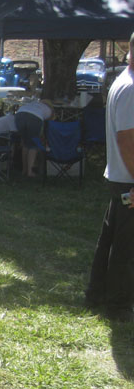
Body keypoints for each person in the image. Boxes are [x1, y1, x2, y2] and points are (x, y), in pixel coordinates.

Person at [85, 31, 134, 322]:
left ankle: (97, 293)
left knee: (111, 240)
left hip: (121, 176)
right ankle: (117, 306)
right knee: (126, 247)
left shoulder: (123, 83)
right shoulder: (130, 88)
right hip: (128, 178)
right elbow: (128, 140)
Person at [14, 98, 53, 177]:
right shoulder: (50, 111)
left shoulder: (33, 104)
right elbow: (46, 127)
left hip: (19, 115)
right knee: (33, 145)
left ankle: (24, 170)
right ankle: (30, 171)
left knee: (25, 143)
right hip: (35, 118)